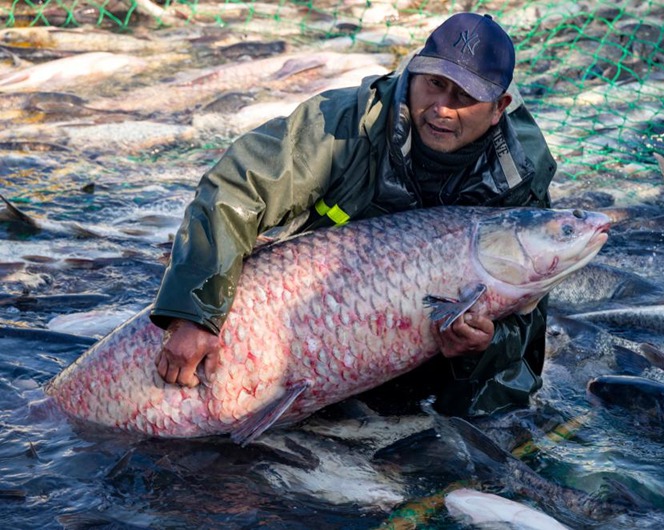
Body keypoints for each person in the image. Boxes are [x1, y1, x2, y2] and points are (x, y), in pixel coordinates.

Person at [150, 12, 557, 418]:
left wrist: (485, 344)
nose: (442, 109)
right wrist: (195, 313)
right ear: (413, 73)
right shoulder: (345, 121)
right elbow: (237, 187)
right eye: (435, 84)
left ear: (498, 107)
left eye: (464, 97)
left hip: (426, 340)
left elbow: (528, 322)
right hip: (314, 311)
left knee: (499, 404)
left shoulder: (519, 176)